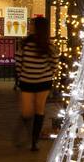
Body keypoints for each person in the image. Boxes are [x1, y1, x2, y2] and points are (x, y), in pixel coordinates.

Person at [15, 16, 57, 151]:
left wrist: (49, 74)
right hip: (27, 81)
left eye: (32, 25)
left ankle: (34, 140)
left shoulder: (48, 46)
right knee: (27, 111)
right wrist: (21, 76)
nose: (30, 27)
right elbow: (19, 60)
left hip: (43, 81)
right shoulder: (25, 43)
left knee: (39, 110)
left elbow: (54, 62)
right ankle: (28, 135)